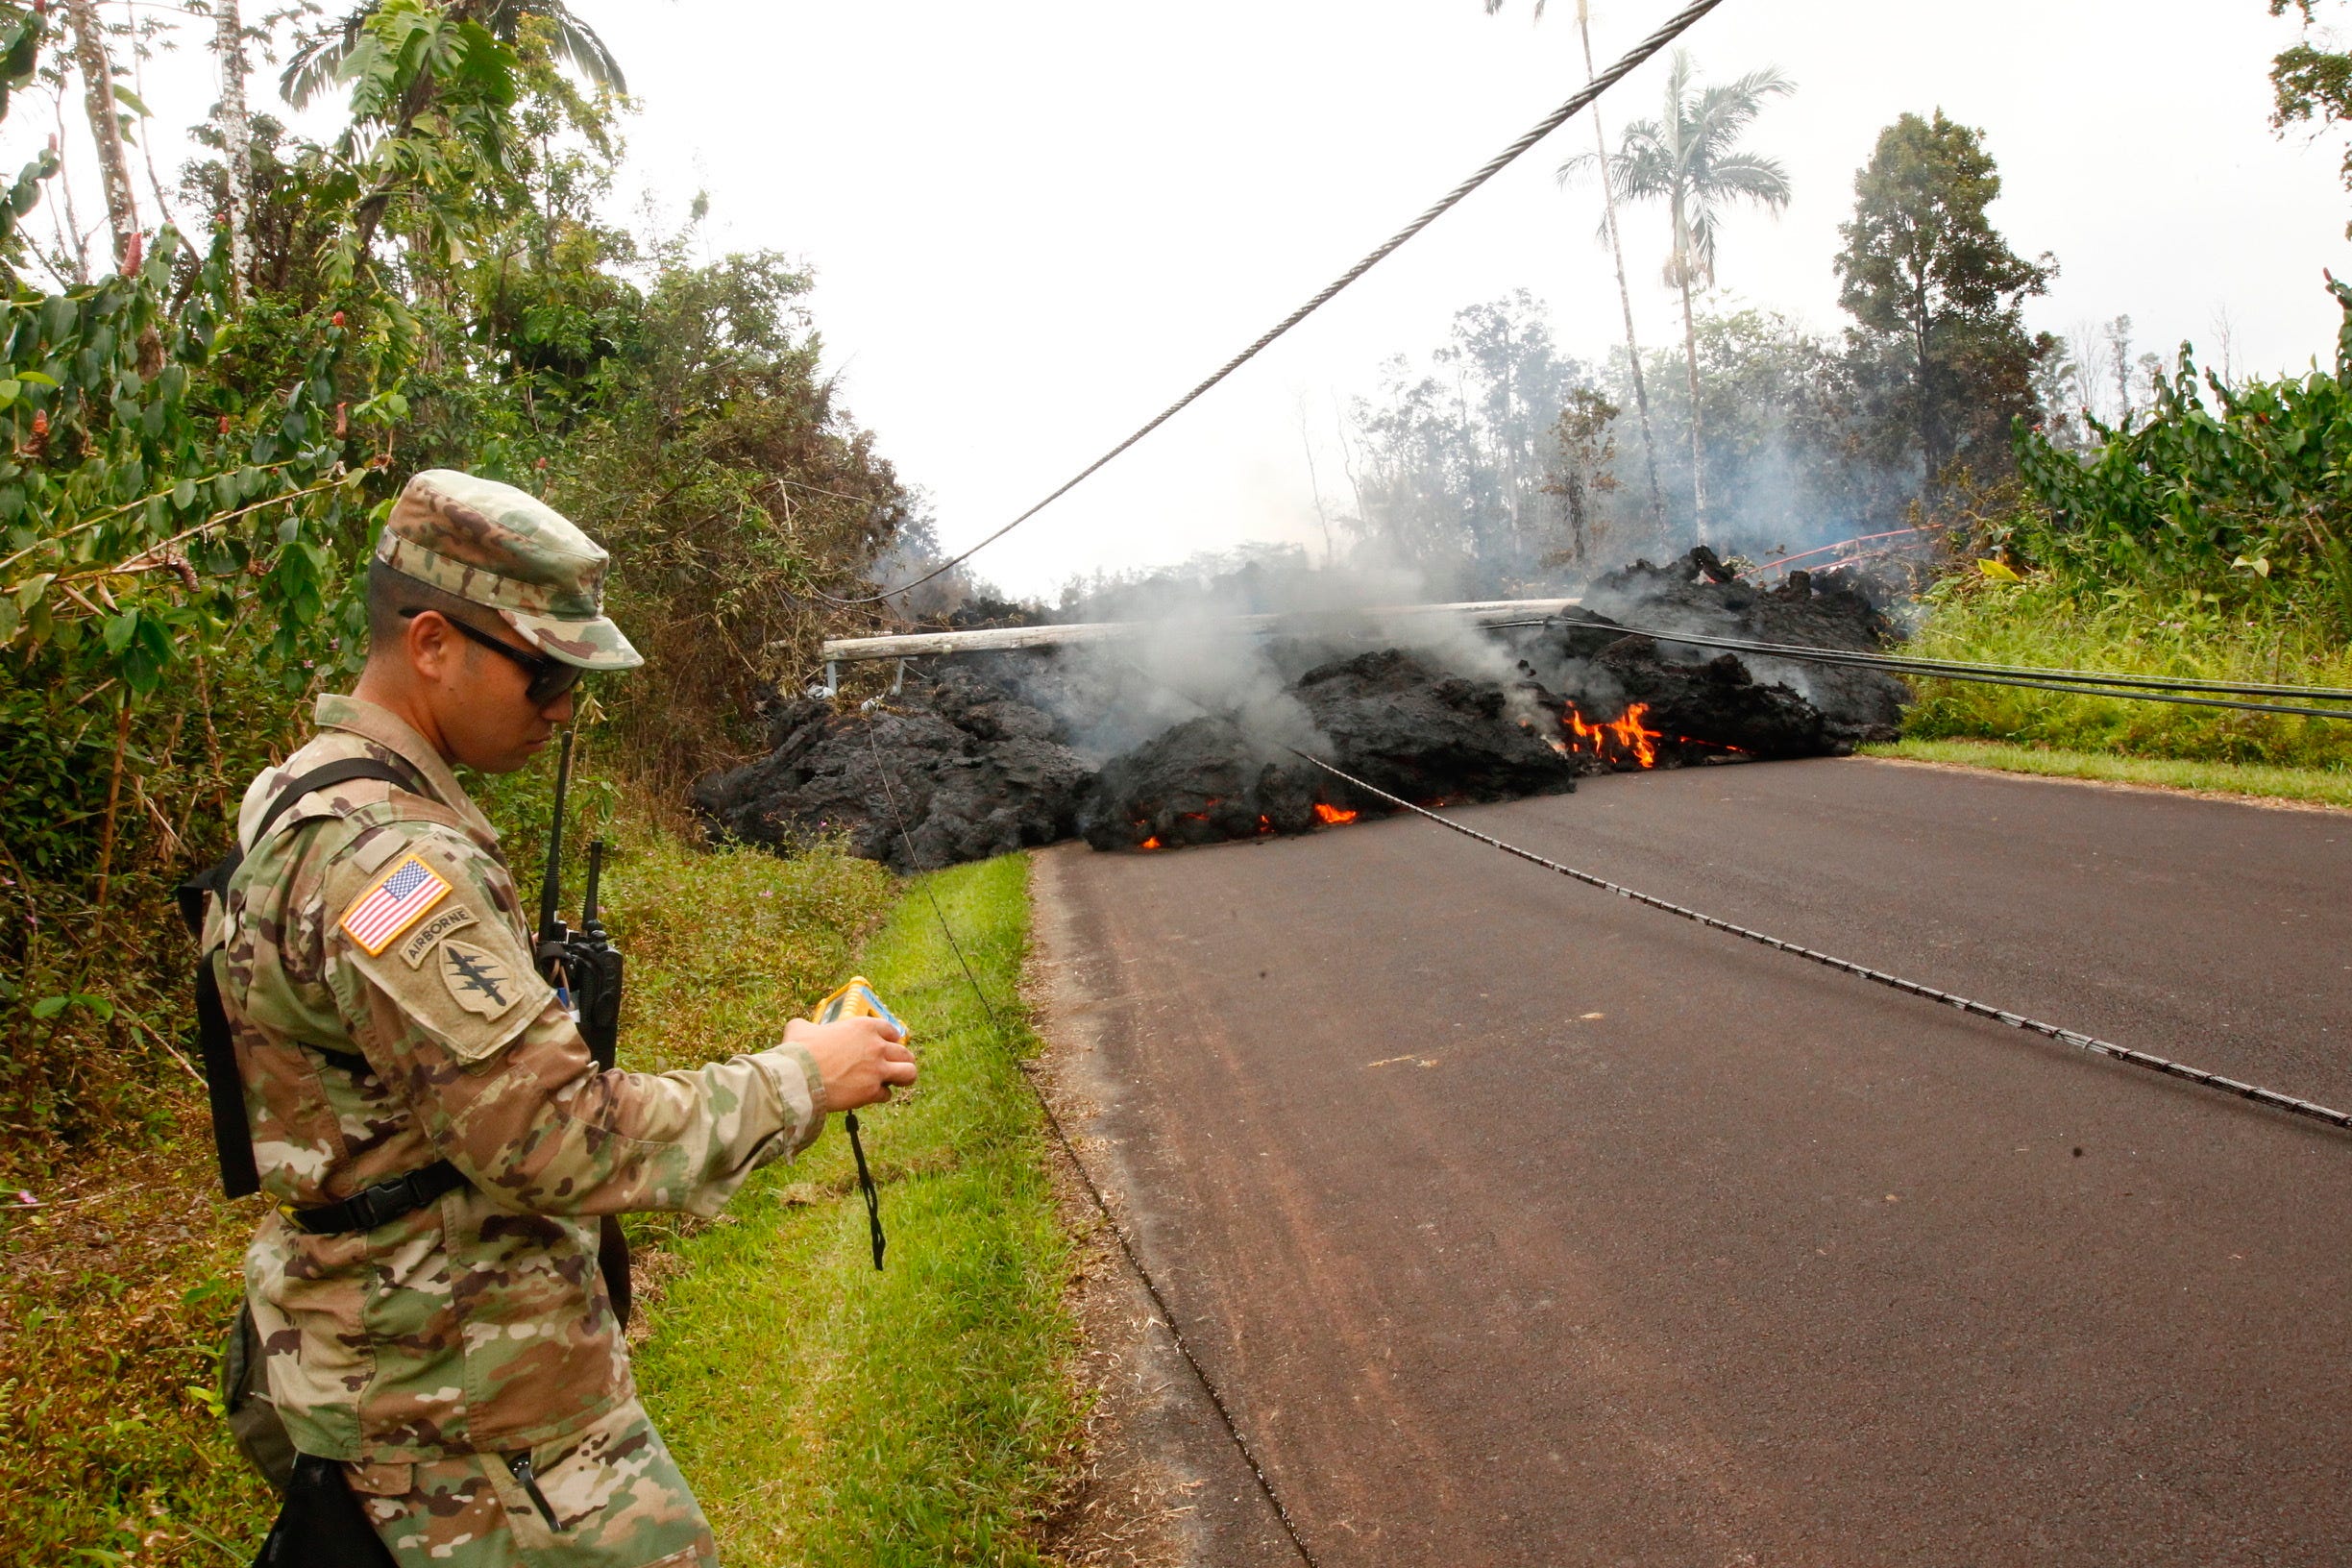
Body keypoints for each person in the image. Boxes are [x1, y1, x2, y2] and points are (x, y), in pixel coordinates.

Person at [211, 469, 916, 1565]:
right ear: (433, 643)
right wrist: (802, 1077)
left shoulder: (298, 795)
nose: (562, 707)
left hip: (378, 1365)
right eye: (544, 672)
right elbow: (559, 1139)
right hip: (464, 1404)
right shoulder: (392, 862)